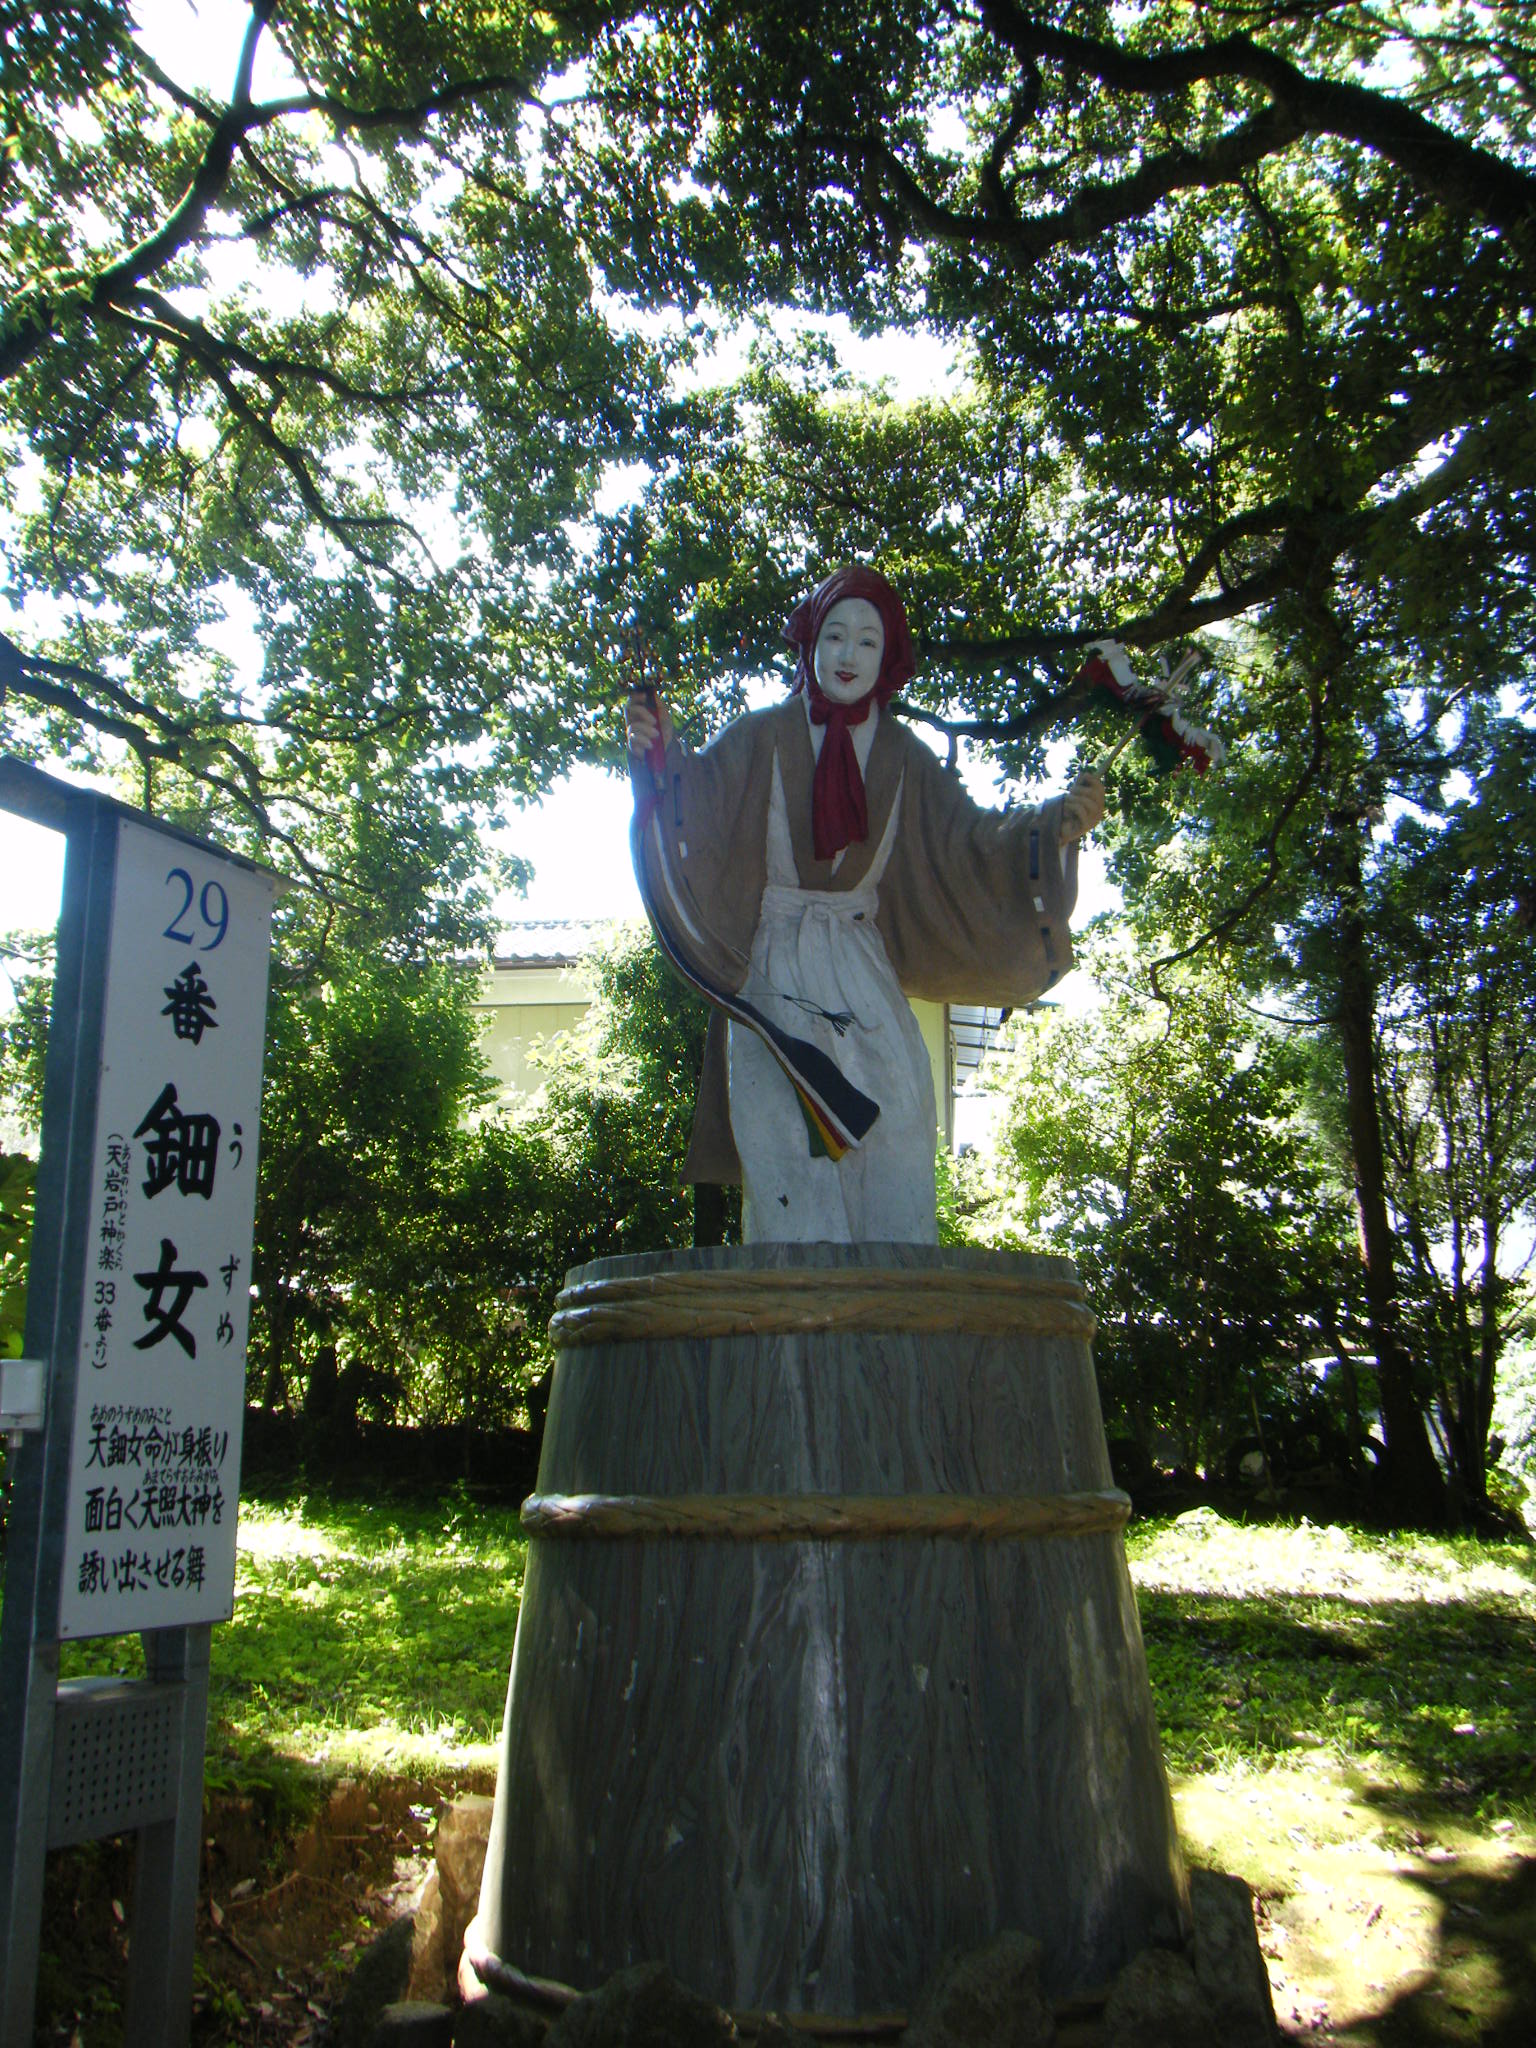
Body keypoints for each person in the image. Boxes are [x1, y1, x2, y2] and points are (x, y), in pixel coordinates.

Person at [626, 564, 1103, 1244]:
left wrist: (1051, 826)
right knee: (787, 1141)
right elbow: (696, 798)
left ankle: (896, 1302)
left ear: (888, 658)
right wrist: (658, 753)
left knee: (901, 1118)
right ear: (811, 645)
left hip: (861, 961)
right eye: (836, 637)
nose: (848, 655)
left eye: (867, 642)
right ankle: (799, 1316)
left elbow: (970, 840)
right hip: (775, 966)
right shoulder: (762, 735)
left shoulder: (906, 755)